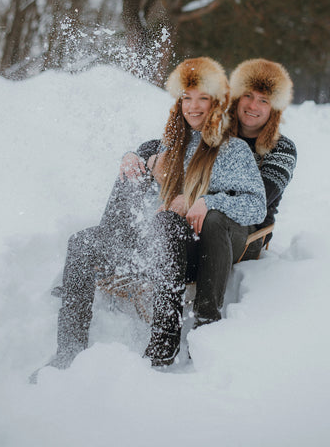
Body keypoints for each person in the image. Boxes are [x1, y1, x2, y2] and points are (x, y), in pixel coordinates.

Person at [31, 57, 266, 380]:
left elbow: (257, 207)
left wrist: (206, 201)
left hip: (196, 252)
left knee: (167, 223)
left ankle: (164, 339)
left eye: (202, 98)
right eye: (186, 98)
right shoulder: (169, 144)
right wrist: (135, 159)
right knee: (82, 241)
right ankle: (68, 350)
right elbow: (149, 161)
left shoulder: (233, 150)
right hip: (154, 247)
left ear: (216, 103)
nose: (193, 107)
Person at [127, 58, 297, 329]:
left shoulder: (282, 149)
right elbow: (171, 142)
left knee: (215, 217)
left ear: (274, 108)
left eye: (264, 101)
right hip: (197, 217)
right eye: (248, 96)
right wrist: (141, 155)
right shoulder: (221, 126)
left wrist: (196, 197)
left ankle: (207, 321)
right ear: (236, 98)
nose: (253, 106)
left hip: (247, 229)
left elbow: (261, 196)